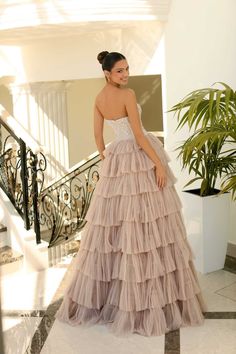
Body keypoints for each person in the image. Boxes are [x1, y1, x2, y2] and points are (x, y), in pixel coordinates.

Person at [56, 51, 207, 337]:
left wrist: (107, 158)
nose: (125, 75)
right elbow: (138, 135)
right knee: (147, 225)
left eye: (127, 70)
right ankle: (149, 298)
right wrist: (157, 163)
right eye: (119, 72)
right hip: (138, 155)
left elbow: (98, 137)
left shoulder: (99, 99)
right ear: (107, 73)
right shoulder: (127, 95)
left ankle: (118, 298)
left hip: (117, 158)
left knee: (122, 226)